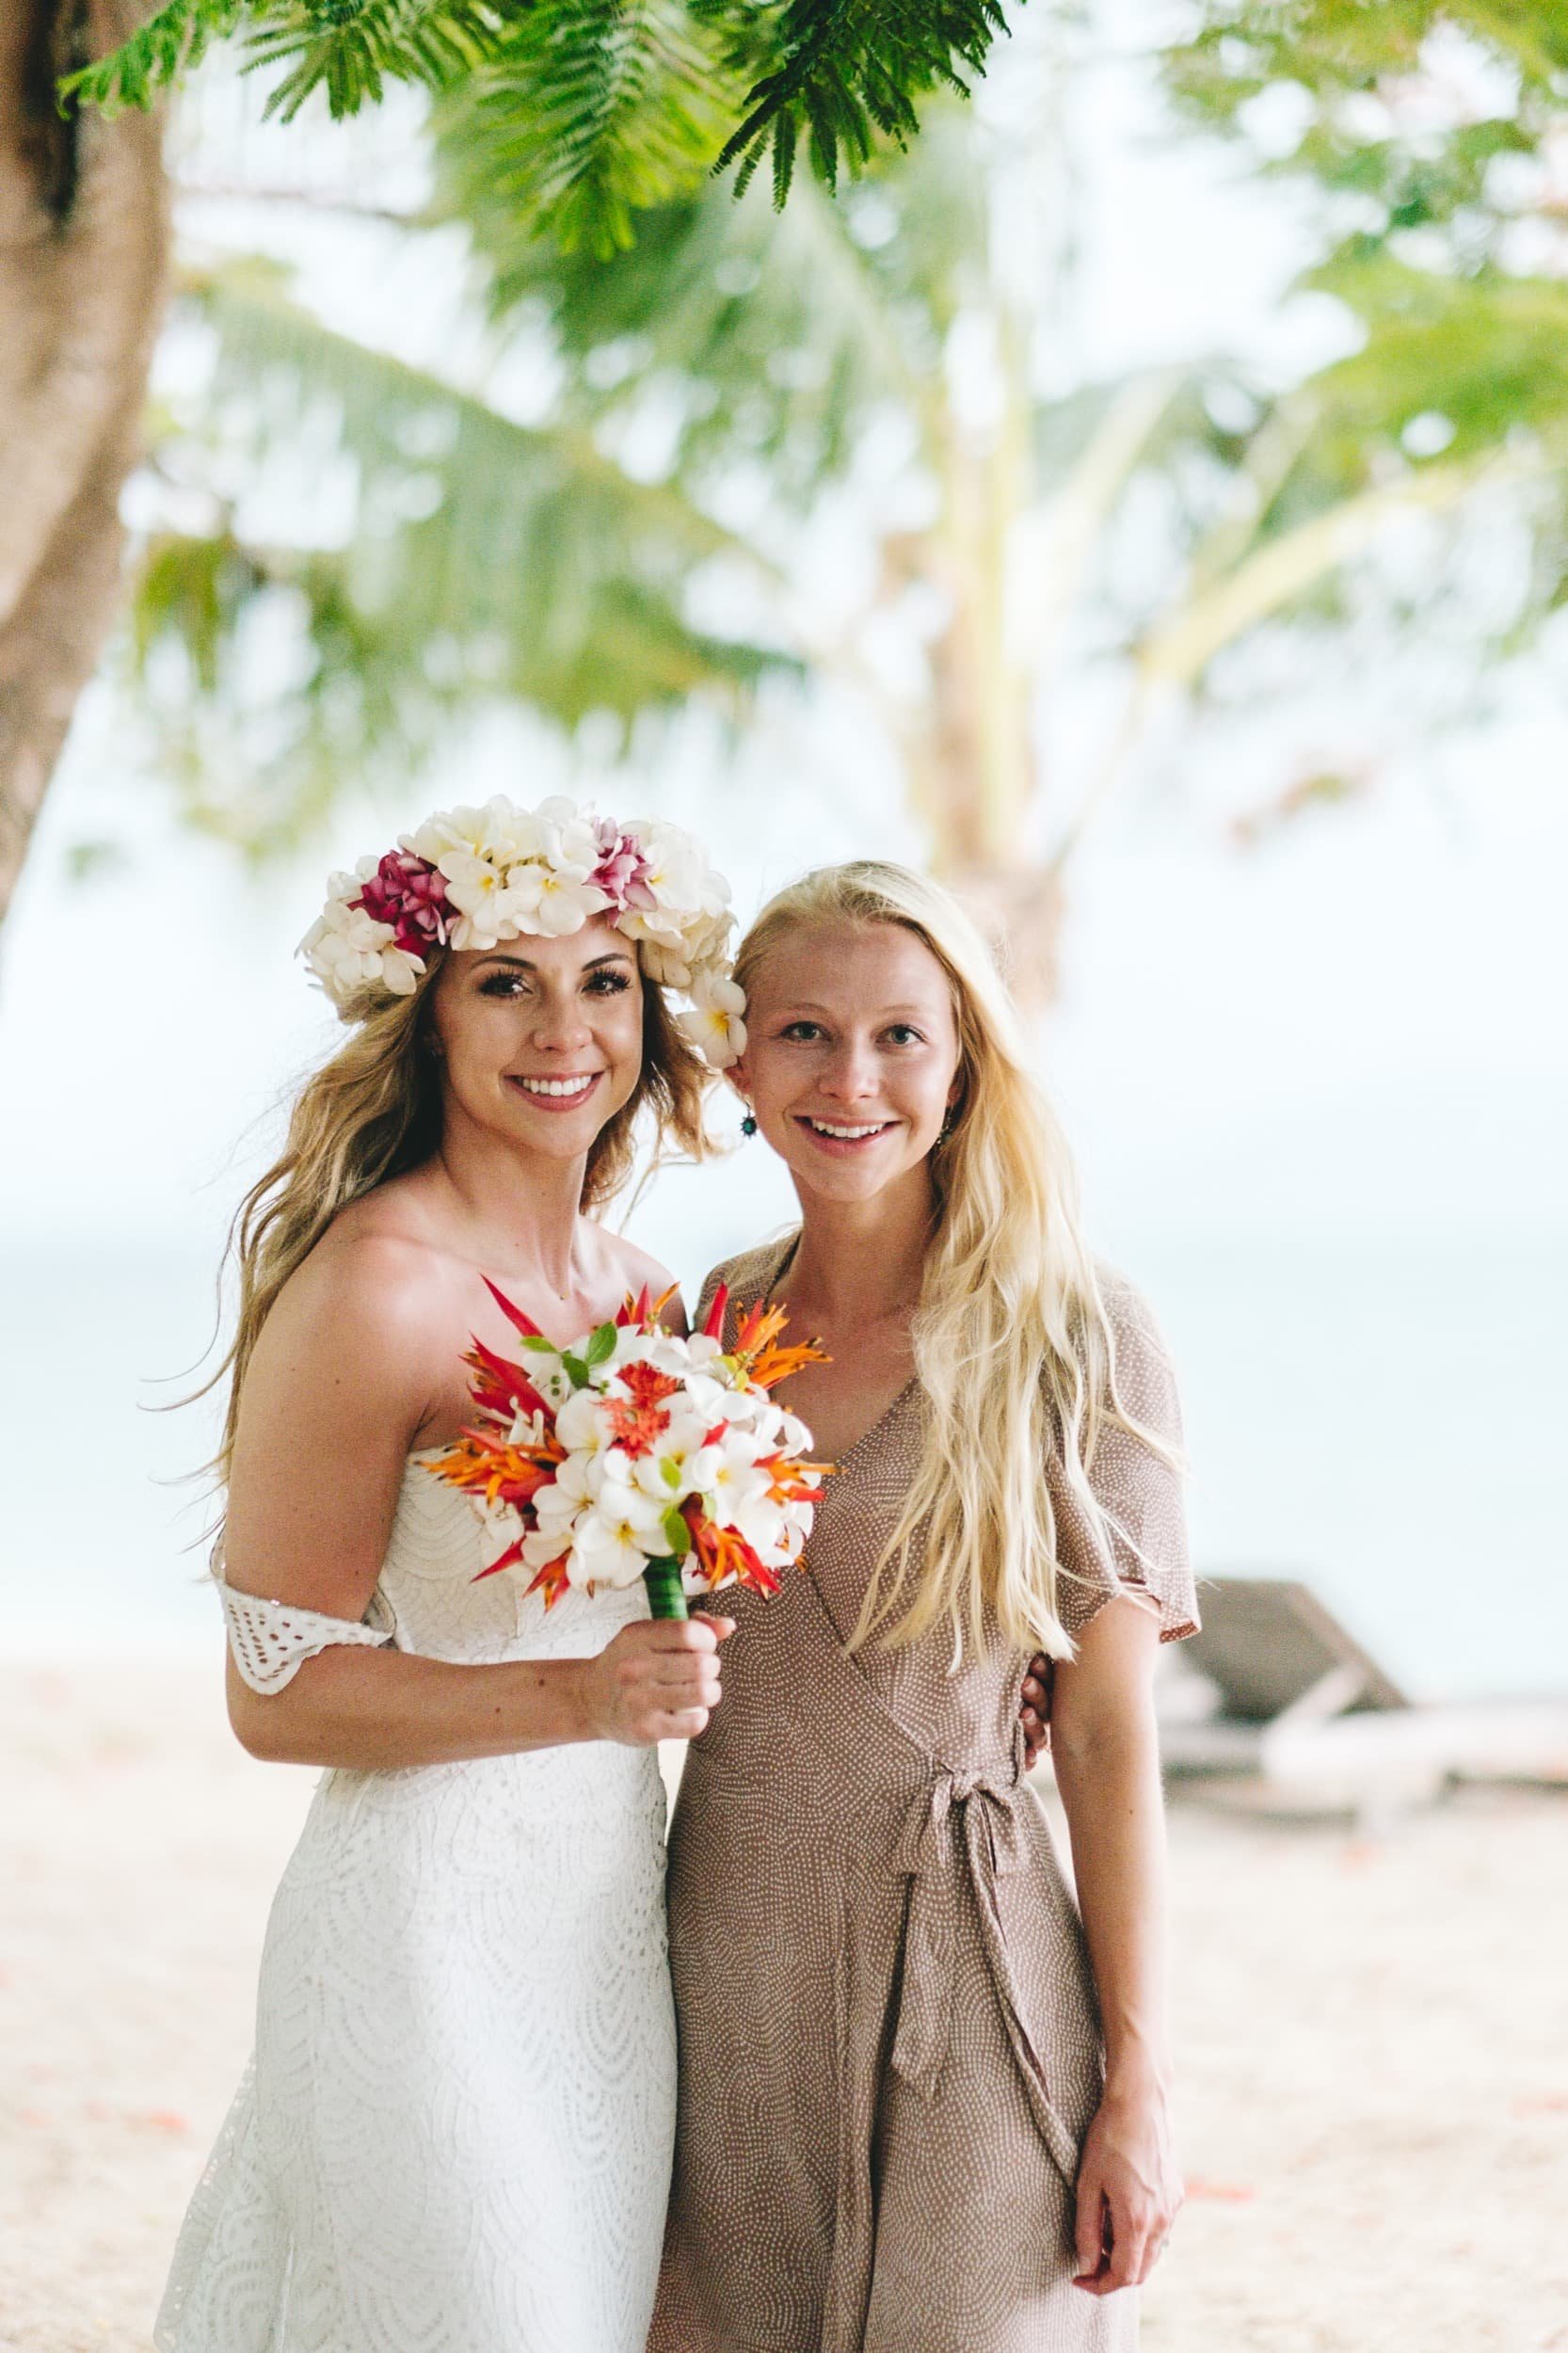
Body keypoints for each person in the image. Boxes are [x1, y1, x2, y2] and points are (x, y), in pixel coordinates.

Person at [155, 797, 744, 2353]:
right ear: (423, 1019)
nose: (564, 1028)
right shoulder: (376, 1288)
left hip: (607, 1939)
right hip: (420, 1944)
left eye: (605, 981)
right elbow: (274, 1692)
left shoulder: (644, 1297)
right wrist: (580, 1692)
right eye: (504, 981)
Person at [651, 860, 1199, 2353]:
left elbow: (1100, 1738)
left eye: (902, 1034)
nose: (852, 1079)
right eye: (805, 1033)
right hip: (724, 1949)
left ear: (963, 1063)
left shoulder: (1078, 1330)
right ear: (738, 1058)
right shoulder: (705, 1323)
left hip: (978, 1944)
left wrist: (1141, 2082)